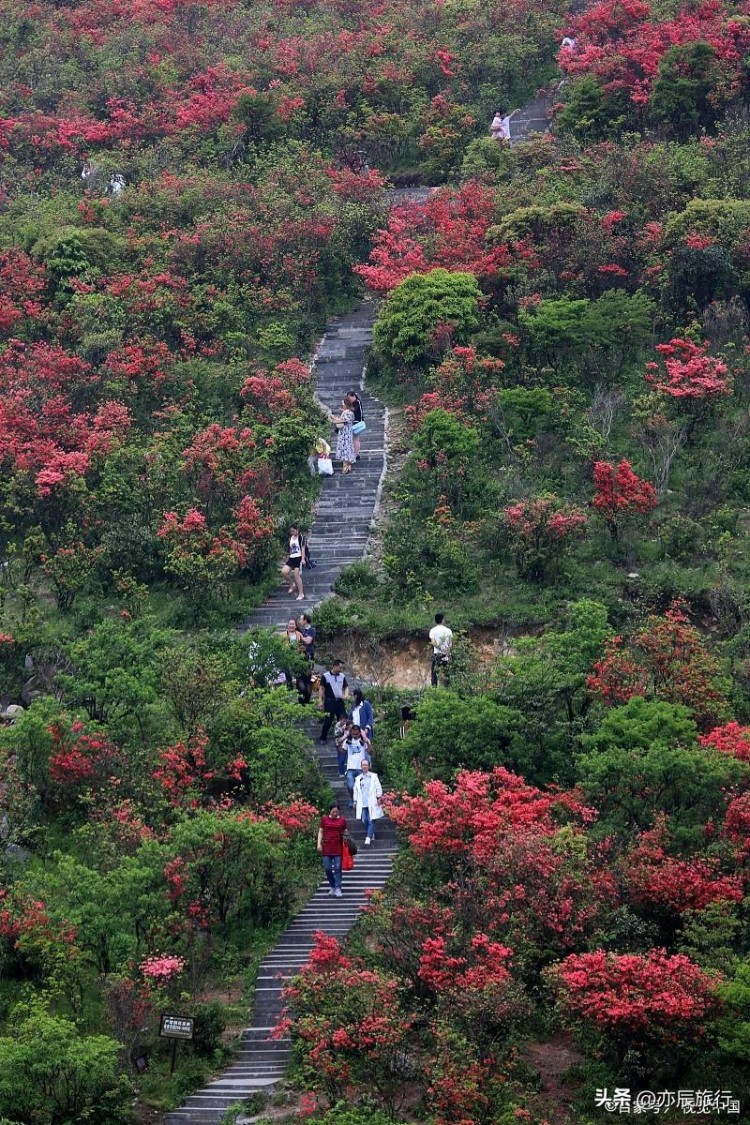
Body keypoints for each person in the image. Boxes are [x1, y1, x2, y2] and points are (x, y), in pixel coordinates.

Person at [317, 802, 347, 896]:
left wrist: (346, 839)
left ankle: (338, 888)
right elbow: (321, 831)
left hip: (338, 847)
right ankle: (333, 885)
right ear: (330, 811)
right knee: (327, 868)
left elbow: (345, 831)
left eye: (337, 812)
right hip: (327, 847)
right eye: (333, 811)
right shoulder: (324, 819)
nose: (335, 814)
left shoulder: (342, 820)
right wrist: (319, 844)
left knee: (338, 868)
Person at [353, 759, 383, 846]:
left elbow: (378, 787)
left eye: (366, 765)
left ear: (369, 766)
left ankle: (368, 837)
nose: (364, 766)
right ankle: (370, 832)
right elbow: (355, 790)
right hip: (362, 803)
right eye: (363, 765)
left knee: (371, 819)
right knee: (364, 820)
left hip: (372, 801)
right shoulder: (358, 778)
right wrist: (355, 801)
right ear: (361, 766)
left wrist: (379, 796)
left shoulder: (373, 776)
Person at [319, 659, 349, 741]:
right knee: (328, 720)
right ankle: (323, 737)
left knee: (343, 720)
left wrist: (346, 694)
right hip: (329, 701)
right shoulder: (326, 676)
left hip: (339, 701)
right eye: (340, 667)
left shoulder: (342, 676)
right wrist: (320, 701)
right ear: (335, 666)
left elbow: (346, 687)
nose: (341, 670)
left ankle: (343, 737)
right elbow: (321, 688)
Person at [344, 724, 371, 807]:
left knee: (361, 786)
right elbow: (341, 751)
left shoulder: (363, 741)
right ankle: (352, 799)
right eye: (353, 734)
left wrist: (367, 742)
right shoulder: (348, 741)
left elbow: (370, 752)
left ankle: (359, 801)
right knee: (350, 785)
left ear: (360, 733)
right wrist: (343, 738)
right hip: (350, 767)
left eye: (356, 734)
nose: (355, 735)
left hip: (360, 768)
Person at [281, 526, 305, 601]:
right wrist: (287, 559)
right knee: (284, 572)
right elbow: (289, 550)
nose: (292, 532)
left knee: (296, 575)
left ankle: (301, 593)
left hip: (298, 558)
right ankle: (292, 584)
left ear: (297, 530)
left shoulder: (301, 538)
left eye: (293, 531)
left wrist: (303, 559)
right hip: (292, 558)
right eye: (291, 531)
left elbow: (303, 548)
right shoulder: (290, 539)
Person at [429, 612, 453, 687]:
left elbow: (433, 642)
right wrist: (447, 652)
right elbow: (450, 643)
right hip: (446, 654)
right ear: (442, 620)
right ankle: (448, 689)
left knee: (434, 674)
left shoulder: (433, 630)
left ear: (435, 620)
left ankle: (434, 689)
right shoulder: (448, 630)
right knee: (448, 673)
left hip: (437, 655)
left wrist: (440, 648)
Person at [296, 613, 316, 704]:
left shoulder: (311, 630)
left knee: (308, 677)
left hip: (308, 657)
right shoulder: (302, 630)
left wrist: (300, 635)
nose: (300, 621)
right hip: (300, 657)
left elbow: (308, 641)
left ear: (305, 620)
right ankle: (301, 699)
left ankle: (306, 700)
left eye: (301, 619)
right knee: (300, 677)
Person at [332, 400, 355, 474]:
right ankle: (348, 464)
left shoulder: (346, 412)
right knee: (348, 447)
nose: (342, 405)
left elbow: (342, 421)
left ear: (346, 404)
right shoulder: (350, 412)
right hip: (348, 433)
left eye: (343, 404)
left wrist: (334, 419)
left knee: (344, 447)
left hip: (344, 433)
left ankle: (345, 466)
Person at [346, 391, 365, 461]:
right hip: (356, 422)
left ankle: (356, 454)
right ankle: (356, 453)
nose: (349, 399)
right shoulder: (355, 402)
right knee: (355, 439)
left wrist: (347, 408)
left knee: (355, 439)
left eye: (349, 397)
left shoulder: (357, 402)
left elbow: (354, 410)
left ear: (353, 396)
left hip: (357, 421)